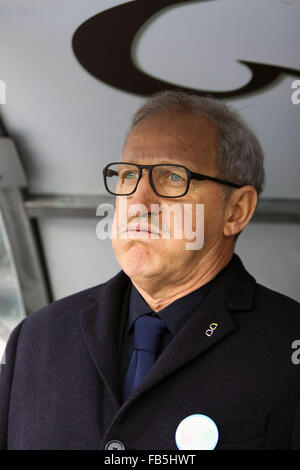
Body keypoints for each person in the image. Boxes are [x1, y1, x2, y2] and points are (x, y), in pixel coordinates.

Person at [0, 91, 300, 450]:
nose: (138, 203)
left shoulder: (286, 346)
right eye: (127, 175)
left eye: (173, 177)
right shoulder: (36, 338)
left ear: (236, 210)